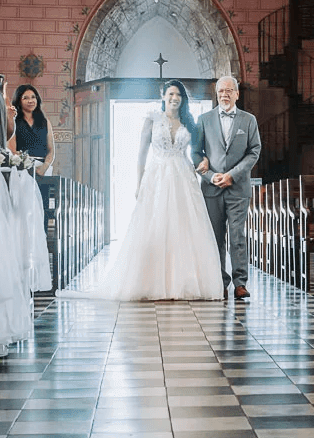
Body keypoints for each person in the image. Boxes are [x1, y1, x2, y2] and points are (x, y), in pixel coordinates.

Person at [62, 80, 224, 301]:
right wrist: (139, 184)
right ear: (163, 96)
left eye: (178, 95)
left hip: (183, 177)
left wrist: (204, 159)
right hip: (157, 176)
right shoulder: (152, 120)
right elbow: (141, 155)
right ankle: (153, 282)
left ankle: (182, 282)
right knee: (155, 226)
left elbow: (198, 152)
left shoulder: (189, 123)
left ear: (183, 98)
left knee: (183, 227)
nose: (174, 98)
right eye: (170, 94)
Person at [192, 76, 262, 300]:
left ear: (237, 94)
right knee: (216, 237)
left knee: (237, 236)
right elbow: (195, 153)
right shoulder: (203, 120)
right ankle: (220, 282)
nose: (225, 94)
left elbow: (254, 151)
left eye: (229, 91)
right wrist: (211, 176)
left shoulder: (249, 120)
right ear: (217, 94)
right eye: (221, 91)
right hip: (211, 189)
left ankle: (240, 283)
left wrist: (232, 175)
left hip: (238, 188)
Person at [9, 84, 54, 172]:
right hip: (21, 168)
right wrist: (25, 164)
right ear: (19, 101)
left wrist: (45, 166)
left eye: (33, 97)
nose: (30, 101)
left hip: (43, 168)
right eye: (25, 98)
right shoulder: (14, 122)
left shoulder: (45, 122)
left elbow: (51, 150)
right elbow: (12, 150)